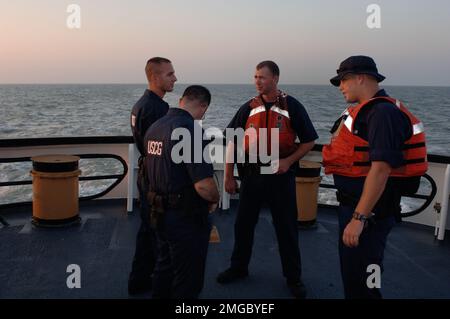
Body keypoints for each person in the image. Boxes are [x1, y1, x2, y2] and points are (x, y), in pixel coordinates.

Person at [323, 56, 428, 299]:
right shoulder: (367, 112)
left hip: (369, 214)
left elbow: (381, 169)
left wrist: (359, 218)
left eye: (344, 80)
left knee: (365, 282)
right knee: (354, 276)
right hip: (356, 207)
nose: (341, 86)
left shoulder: (382, 114)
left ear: (361, 77)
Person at [217, 61, 318, 299]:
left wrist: (288, 161)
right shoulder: (248, 108)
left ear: (275, 78)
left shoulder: (292, 106)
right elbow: (232, 141)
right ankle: (238, 267)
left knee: (286, 228)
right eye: (255, 77)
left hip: (280, 177)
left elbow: (309, 141)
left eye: (262, 77)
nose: (257, 81)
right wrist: (229, 175)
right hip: (252, 177)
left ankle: (293, 278)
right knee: (243, 225)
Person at [145, 85, 220, 299]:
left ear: (181, 101)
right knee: (187, 279)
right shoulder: (190, 130)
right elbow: (203, 185)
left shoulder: (155, 127)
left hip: (158, 212)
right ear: (203, 106)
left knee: (164, 268)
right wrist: (215, 198)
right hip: (185, 217)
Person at [128, 57, 177, 295]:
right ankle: (160, 284)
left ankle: (138, 281)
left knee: (147, 230)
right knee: (159, 233)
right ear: (155, 77)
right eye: (170, 74)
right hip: (155, 179)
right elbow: (162, 148)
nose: (175, 78)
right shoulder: (158, 109)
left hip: (146, 173)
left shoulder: (141, 105)